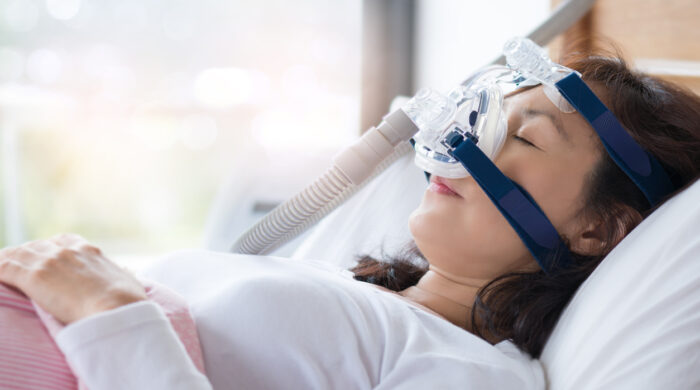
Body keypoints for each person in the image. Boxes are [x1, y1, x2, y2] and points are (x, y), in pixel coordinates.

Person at [0, 53, 699, 389]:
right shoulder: (348, 291)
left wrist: (110, 308)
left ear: (599, 229)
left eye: (525, 137)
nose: (462, 145)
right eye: (484, 119)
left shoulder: (470, 374)